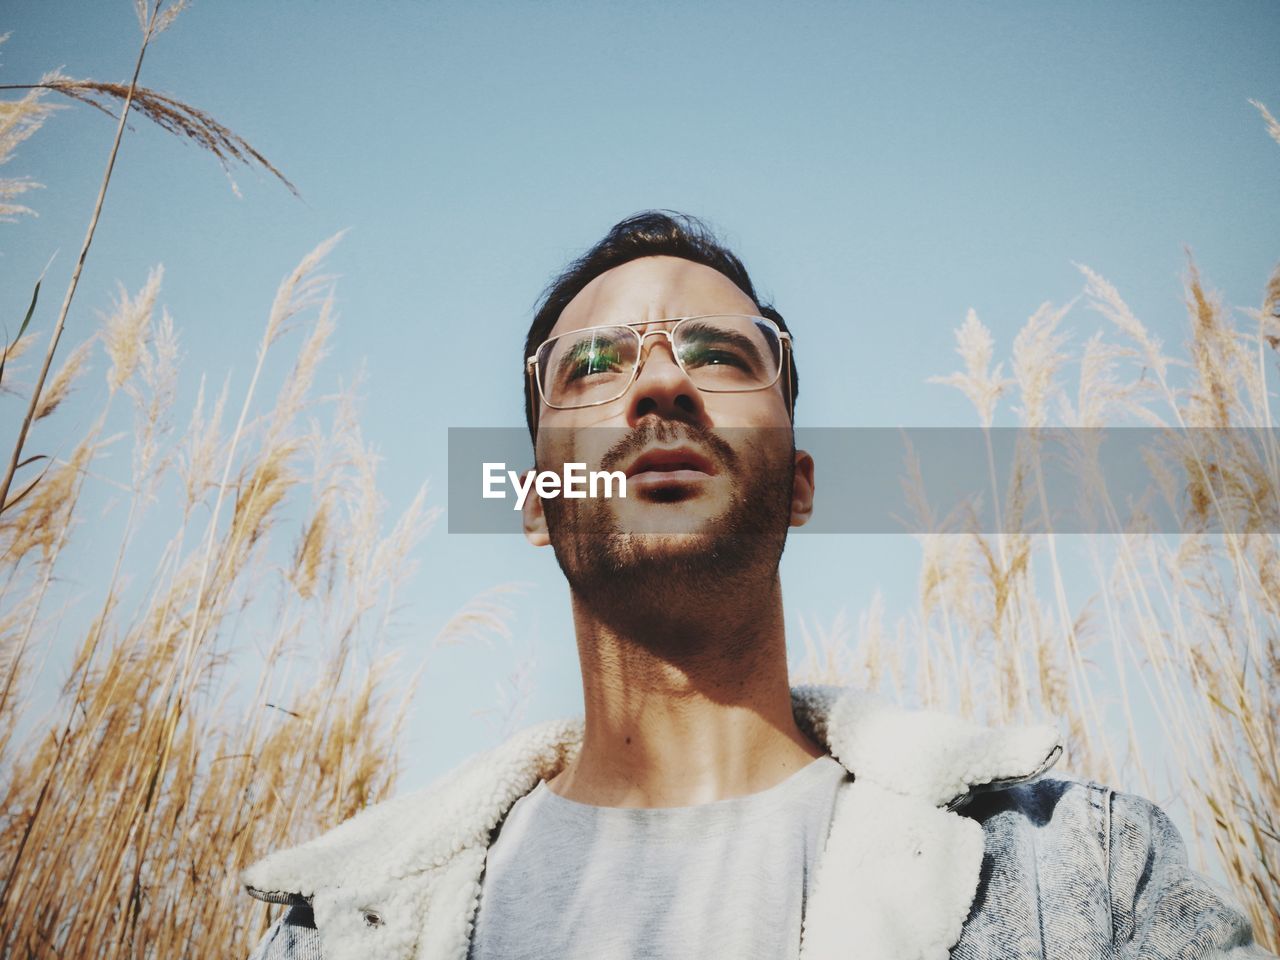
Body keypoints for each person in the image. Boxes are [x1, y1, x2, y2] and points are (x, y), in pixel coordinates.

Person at [242, 212, 1272, 960]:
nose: (659, 383)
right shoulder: (340, 927)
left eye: (721, 355)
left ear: (798, 487)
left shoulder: (1078, 873)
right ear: (532, 500)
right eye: (591, 365)